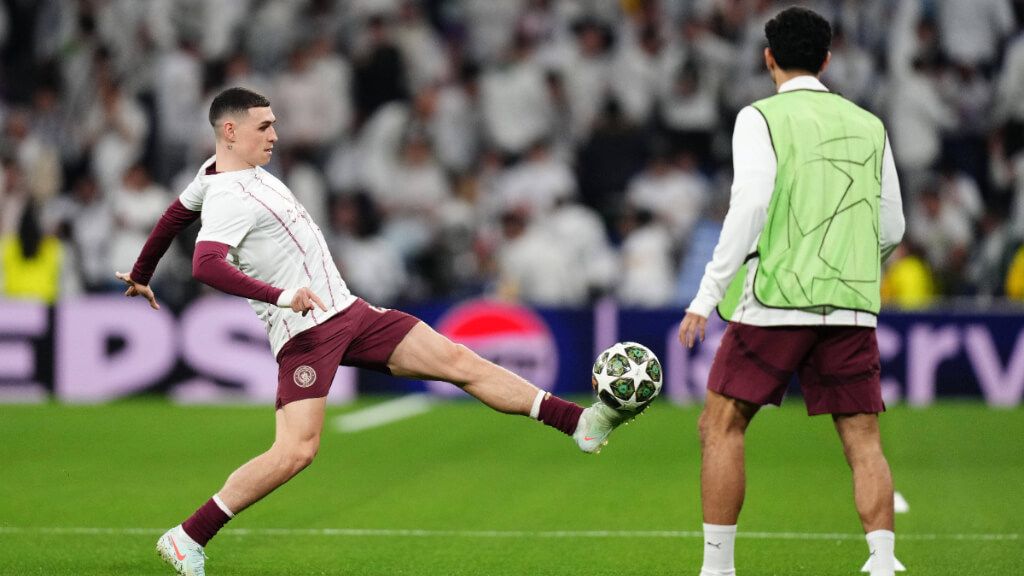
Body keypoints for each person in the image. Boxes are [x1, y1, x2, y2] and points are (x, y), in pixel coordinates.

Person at [117, 87, 633, 576]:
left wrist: (141, 273)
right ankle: (188, 536)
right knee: (296, 451)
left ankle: (580, 423)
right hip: (305, 332)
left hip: (349, 312)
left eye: (274, 124)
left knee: (459, 361)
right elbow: (206, 265)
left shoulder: (216, 173)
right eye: (264, 126)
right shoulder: (228, 194)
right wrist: (281, 296)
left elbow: (174, 215)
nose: (274, 135)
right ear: (230, 131)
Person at [676, 8, 906, 576]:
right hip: (851, 305)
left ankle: (717, 568)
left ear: (768, 58)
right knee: (863, 440)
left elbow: (750, 205)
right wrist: (849, 266)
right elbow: (893, 227)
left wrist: (706, 294)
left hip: (777, 299)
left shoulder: (760, 117)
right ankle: (882, 561)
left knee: (721, 424)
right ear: (827, 60)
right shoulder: (870, 124)